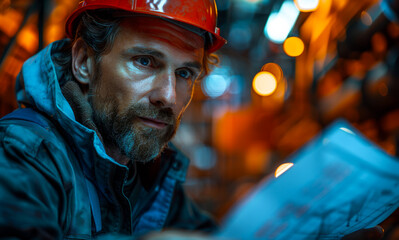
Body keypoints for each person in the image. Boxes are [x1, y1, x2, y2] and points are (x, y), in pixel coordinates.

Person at [0, 0, 386, 239]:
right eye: (145, 61)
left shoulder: (144, 178)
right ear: (84, 61)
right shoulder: (20, 156)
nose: (168, 96)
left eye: (185, 74)